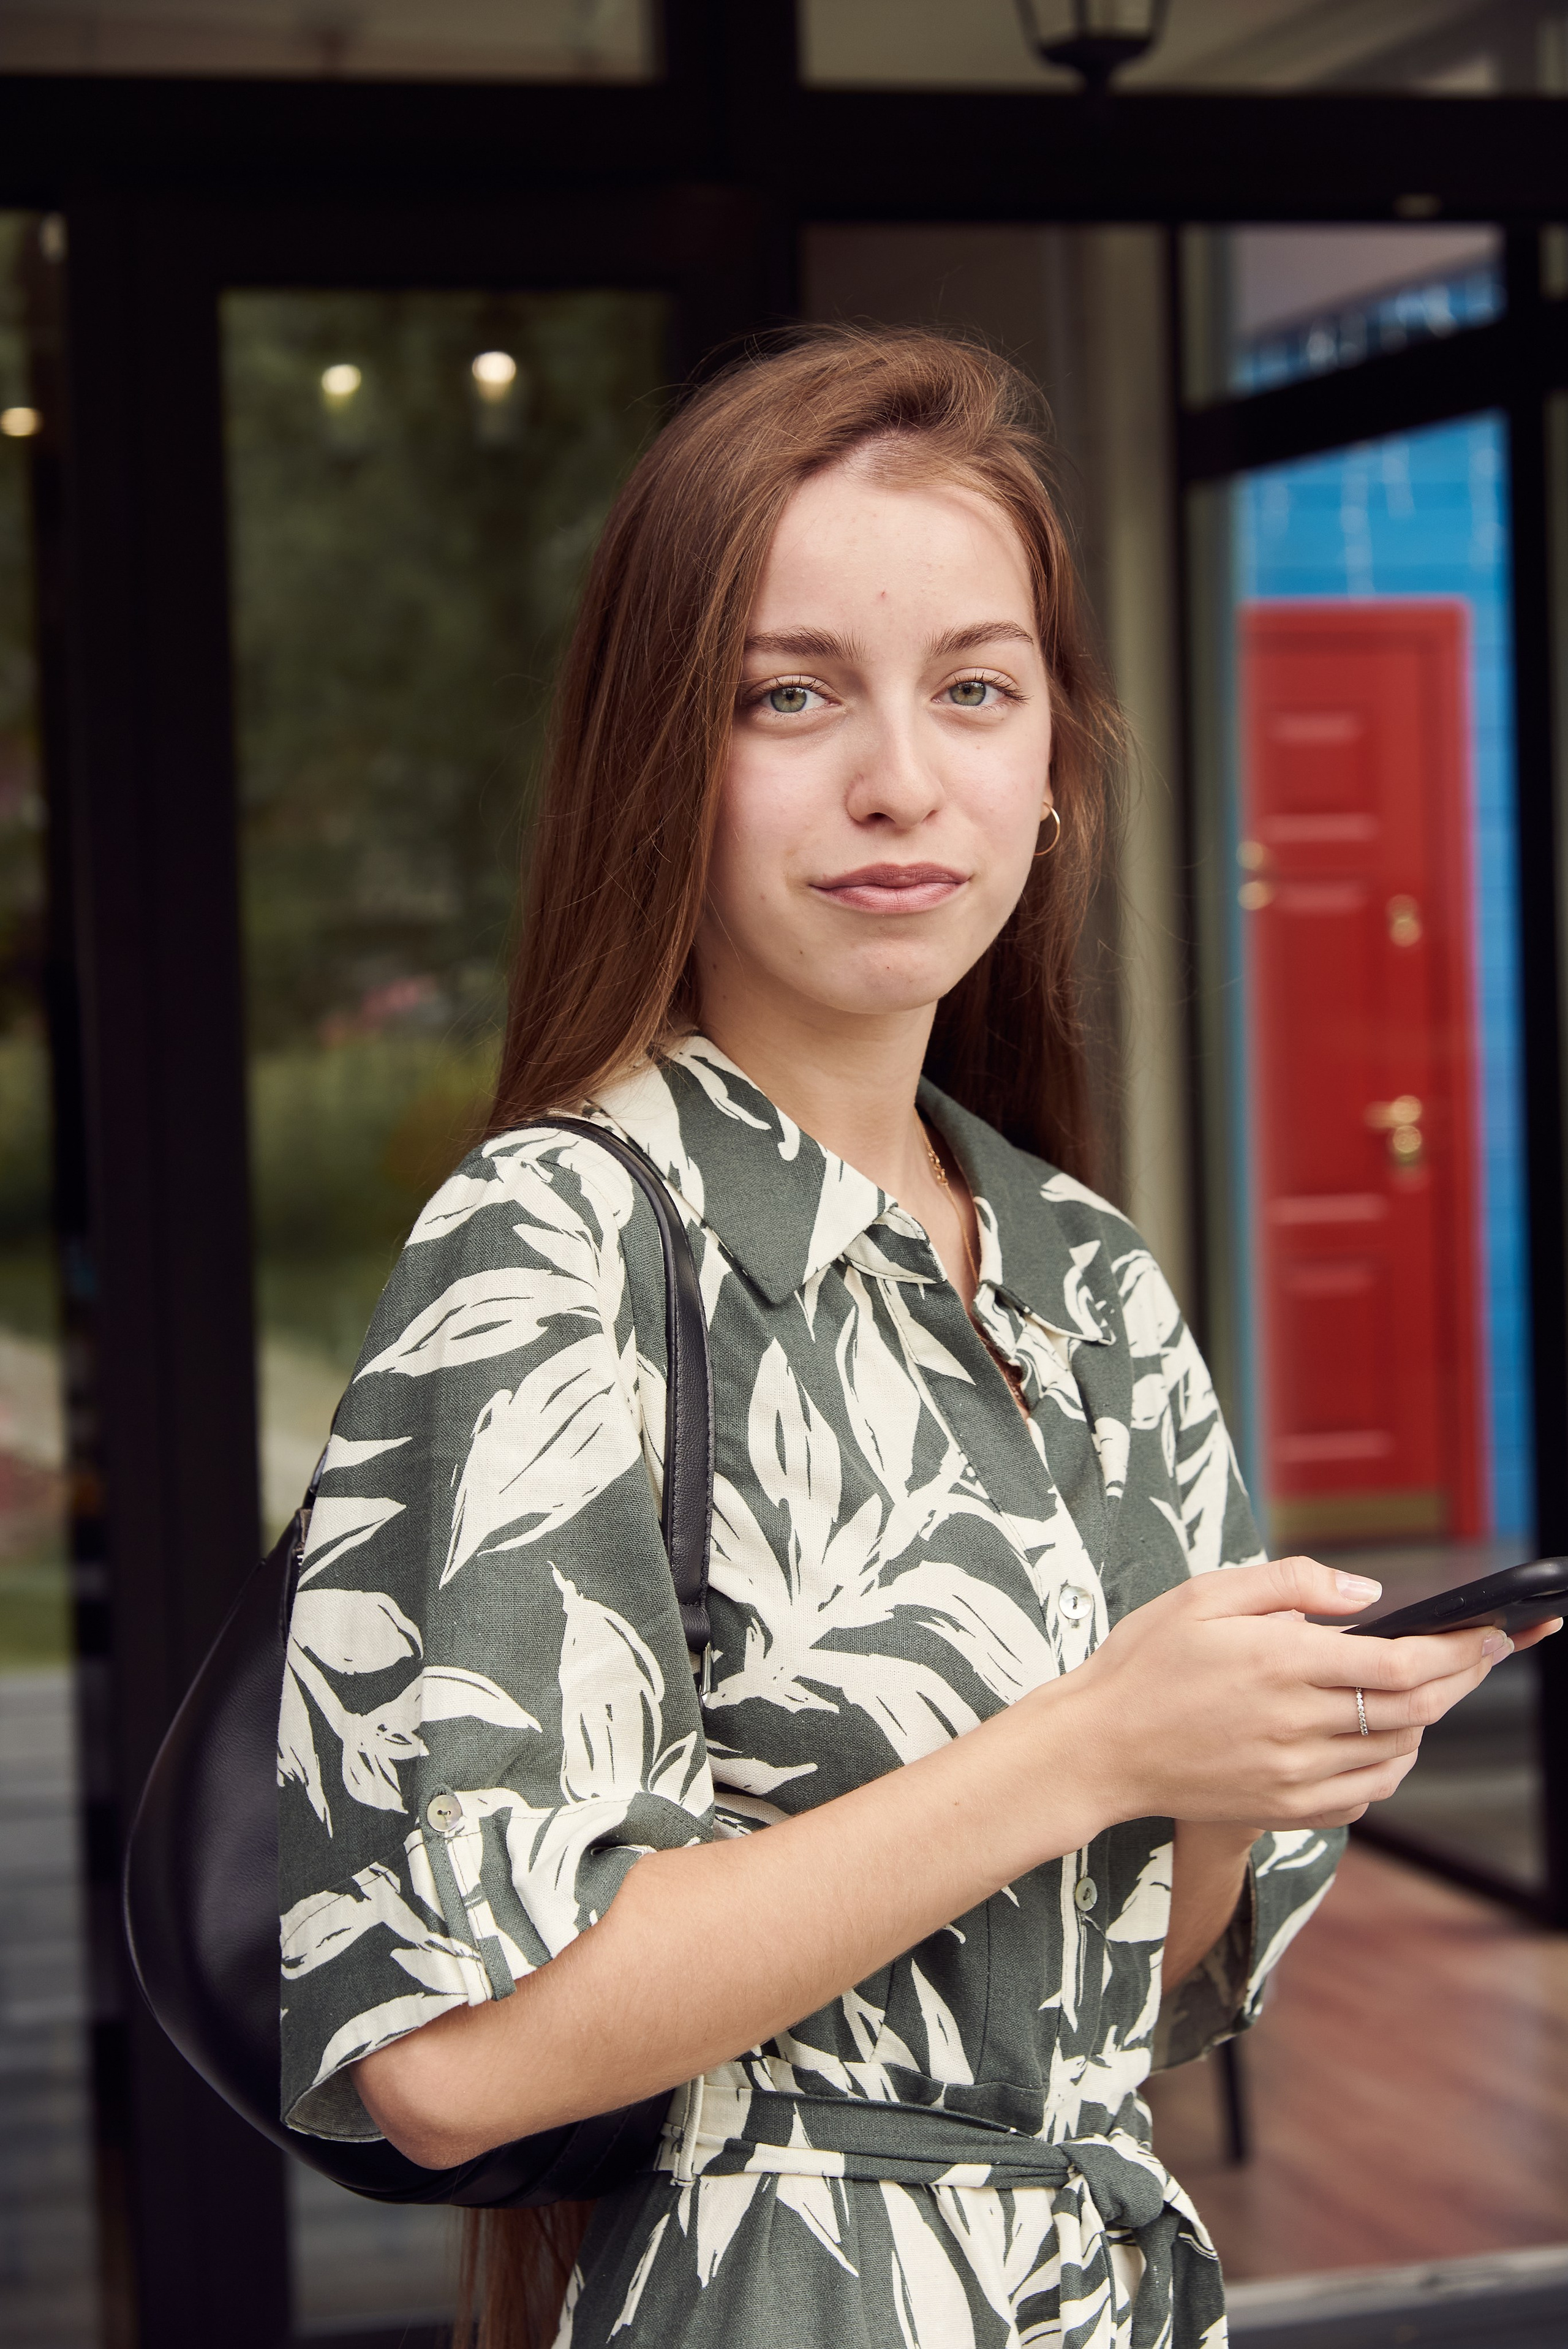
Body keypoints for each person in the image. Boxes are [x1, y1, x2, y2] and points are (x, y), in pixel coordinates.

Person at [276, 329, 1548, 2349]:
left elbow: (1127, 1990)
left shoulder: (1092, 1277)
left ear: (1053, 766)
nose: (901, 778)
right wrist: (1093, 1740)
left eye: (975, 688)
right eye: (793, 695)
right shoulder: (564, 1236)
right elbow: (453, 2047)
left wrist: (1252, 1757)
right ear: (659, 757)